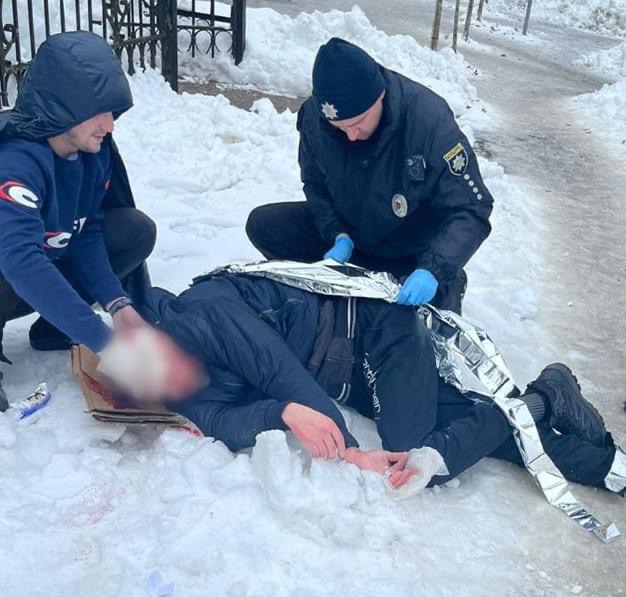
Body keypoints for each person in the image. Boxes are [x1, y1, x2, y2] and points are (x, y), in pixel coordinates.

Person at [98, 271, 626, 494]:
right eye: (163, 387)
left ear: (160, 333)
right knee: (469, 431)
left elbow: (279, 372)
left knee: (416, 456)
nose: (178, 386)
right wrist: (278, 413)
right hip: (348, 374)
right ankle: (594, 452)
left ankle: (540, 398)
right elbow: (221, 420)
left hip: (376, 329)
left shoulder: (208, 312)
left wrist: (349, 451)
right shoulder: (167, 380)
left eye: (168, 368)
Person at [246, 38, 493, 314]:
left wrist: (433, 269)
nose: (351, 135)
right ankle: (329, 287)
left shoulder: (428, 121)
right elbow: (315, 185)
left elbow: (472, 209)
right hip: (352, 242)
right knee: (264, 225)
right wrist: (336, 234)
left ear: (379, 96)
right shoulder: (315, 119)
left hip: (410, 251)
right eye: (339, 127)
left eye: (358, 123)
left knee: (430, 314)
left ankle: (439, 281)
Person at [0, 31, 156, 410]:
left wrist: (118, 304)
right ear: (62, 108)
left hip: (34, 266)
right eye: (98, 112)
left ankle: (56, 327)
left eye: (113, 112)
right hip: (10, 272)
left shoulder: (92, 151)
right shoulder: (15, 162)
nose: (110, 125)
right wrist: (105, 343)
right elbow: (21, 262)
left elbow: (86, 231)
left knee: (134, 230)